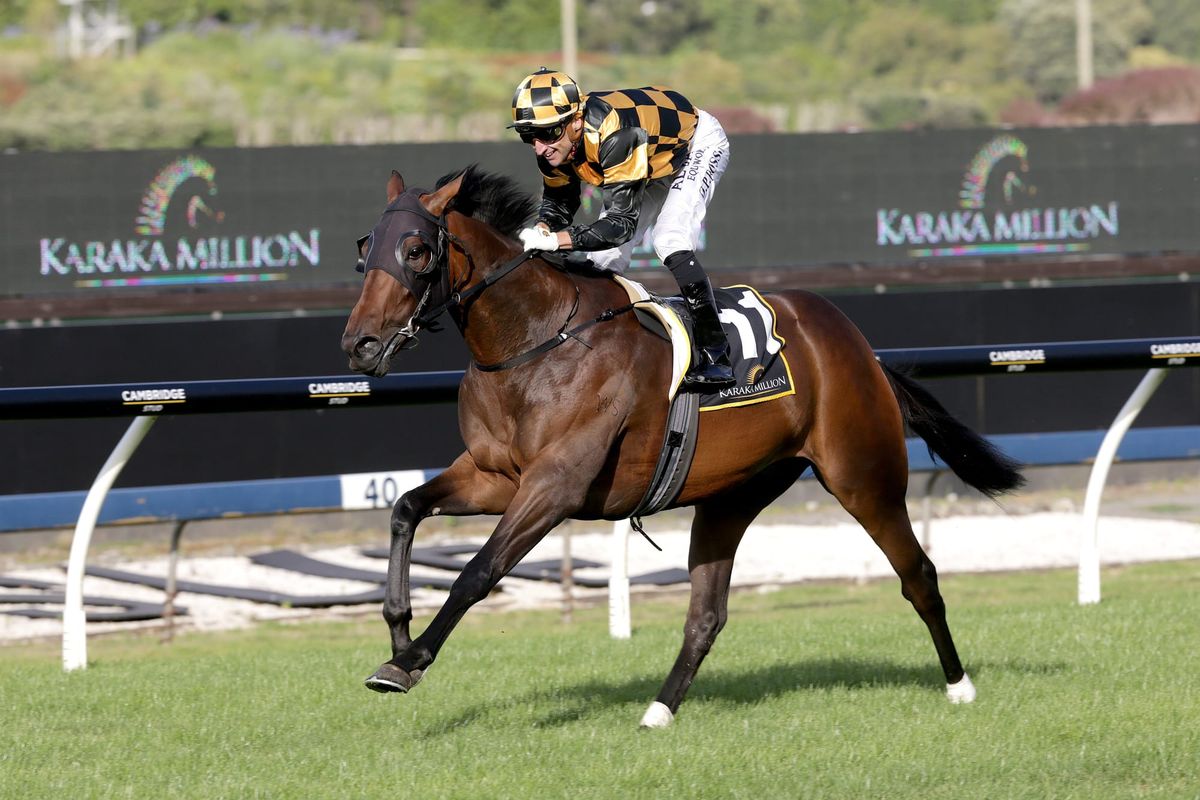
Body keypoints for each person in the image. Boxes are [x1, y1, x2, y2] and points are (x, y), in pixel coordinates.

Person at [509, 67, 735, 388]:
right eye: (528, 135)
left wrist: (557, 240)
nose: (539, 147)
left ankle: (717, 354)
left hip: (693, 146)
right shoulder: (553, 146)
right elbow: (560, 201)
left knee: (670, 239)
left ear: (575, 121)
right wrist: (543, 228)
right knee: (603, 262)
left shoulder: (613, 135)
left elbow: (620, 226)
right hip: (649, 158)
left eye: (547, 134)